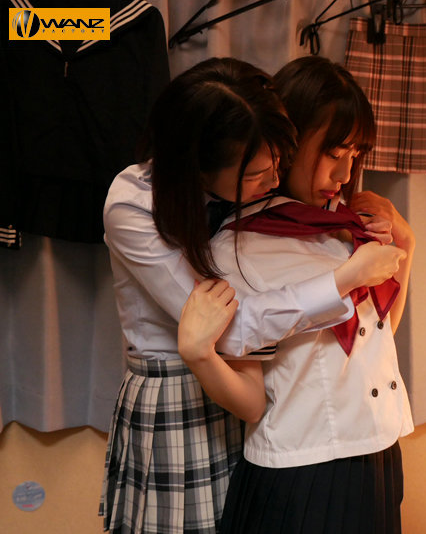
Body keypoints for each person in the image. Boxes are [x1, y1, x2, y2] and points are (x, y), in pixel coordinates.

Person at [101, 57, 401, 534]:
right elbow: (229, 327)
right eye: (257, 173)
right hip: (179, 389)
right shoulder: (136, 206)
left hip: (252, 402)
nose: (273, 180)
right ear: (199, 166)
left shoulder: (292, 215)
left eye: (279, 162)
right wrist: (342, 280)